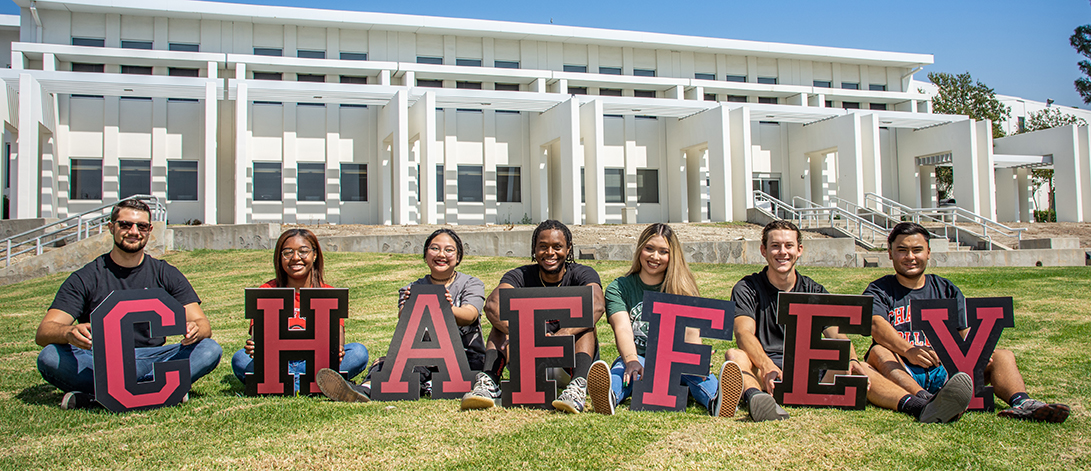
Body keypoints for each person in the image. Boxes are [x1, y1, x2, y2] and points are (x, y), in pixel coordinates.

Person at [725, 220, 974, 423]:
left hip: (809, 372)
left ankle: (921, 407)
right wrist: (767, 365)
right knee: (736, 355)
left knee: (859, 366)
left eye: (789, 245)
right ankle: (759, 401)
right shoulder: (748, 288)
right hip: (767, 370)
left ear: (799, 250)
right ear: (763, 250)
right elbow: (744, 333)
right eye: (775, 246)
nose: (783, 252)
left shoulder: (814, 290)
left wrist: (852, 361)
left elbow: (838, 335)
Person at [864, 222, 1069, 423]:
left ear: (928, 252)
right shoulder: (880, 289)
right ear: (890, 253)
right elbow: (876, 325)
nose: (910, 257)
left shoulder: (945, 288)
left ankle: (1023, 403)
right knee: (878, 352)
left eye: (917, 250)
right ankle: (927, 401)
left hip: (945, 369)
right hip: (902, 368)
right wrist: (909, 350)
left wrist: (965, 355)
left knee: (1002, 356)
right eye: (902, 250)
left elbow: (964, 330)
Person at [35, 199, 222, 409]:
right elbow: (44, 331)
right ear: (111, 227)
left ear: (150, 230)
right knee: (50, 356)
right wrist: (68, 333)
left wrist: (196, 329)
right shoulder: (86, 277)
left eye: (141, 226)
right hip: (101, 360)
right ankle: (160, 390)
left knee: (209, 349)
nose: (134, 231)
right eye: (125, 225)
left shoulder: (165, 273)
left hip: (154, 357)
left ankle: (99, 396)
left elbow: (203, 324)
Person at [587, 223, 744, 416]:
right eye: (649, 249)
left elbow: (692, 333)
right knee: (622, 370)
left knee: (699, 376)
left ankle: (717, 401)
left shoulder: (683, 287)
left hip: (673, 360)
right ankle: (608, 396)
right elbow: (622, 328)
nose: (655, 257)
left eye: (663, 251)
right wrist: (631, 360)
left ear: (672, 256)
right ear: (640, 250)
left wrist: (694, 357)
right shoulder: (618, 288)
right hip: (640, 357)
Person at [316, 229, 485, 402]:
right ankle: (362, 390)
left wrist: (445, 308)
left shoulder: (470, 284)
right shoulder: (411, 289)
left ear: (458, 258)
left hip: (464, 357)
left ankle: (413, 385)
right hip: (422, 356)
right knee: (388, 363)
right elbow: (405, 322)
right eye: (435, 248)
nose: (441, 254)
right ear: (426, 255)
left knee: (407, 365)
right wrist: (411, 304)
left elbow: (470, 314)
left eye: (449, 250)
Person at [461, 220, 606, 413]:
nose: (550, 253)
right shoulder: (520, 275)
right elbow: (492, 305)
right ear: (534, 249)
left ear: (568, 248)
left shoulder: (581, 273)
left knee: (587, 324)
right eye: (543, 247)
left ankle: (577, 386)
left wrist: (561, 336)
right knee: (501, 322)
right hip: (527, 361)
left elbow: (596, 305)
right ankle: (489, 383)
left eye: (557, 247)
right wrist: (527, 333)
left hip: (567, 361)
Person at [231, 228, 368, 394]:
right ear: (279, 257)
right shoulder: (267, 290)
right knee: (240, 358)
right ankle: (316, 383)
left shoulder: (327, 292)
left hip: (316, 362)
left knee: (358, 352)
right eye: (288, 252)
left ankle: (291, 383)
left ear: (314, 255)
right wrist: (255, 348)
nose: (295, 258)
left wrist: (337, 350)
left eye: (303, 251)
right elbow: (257, 336)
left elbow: (337, 338)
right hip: (277, 364)